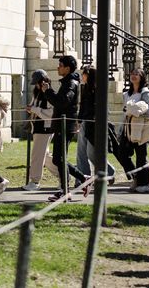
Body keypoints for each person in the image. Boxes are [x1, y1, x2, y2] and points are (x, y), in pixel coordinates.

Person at [44, 55, 89, 201]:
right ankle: (81, 180)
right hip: (61, 124)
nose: (58, 67)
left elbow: (62, 102)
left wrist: (48, 91)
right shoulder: (68, 82)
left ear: (67, 68)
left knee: (60, 159)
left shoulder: (71, 83)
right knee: (58, 159)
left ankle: (66, 190)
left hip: (65, 125)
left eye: (60, 65)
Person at [75, 66, 116, 186]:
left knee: (91, 153)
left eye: (83, 74)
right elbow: (82, 105)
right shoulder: (85, 88)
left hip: (94, 124)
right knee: (81, 152)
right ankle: (83, 178)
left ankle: (109, 171)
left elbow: (102, 108)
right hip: (85, 122)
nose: (82, 76)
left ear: (88, 75)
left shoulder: (99, 89)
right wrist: (79, 120)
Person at [119, 68, 149, 194]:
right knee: (122, 154)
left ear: (142, 77)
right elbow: (125, 113)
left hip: (141, 129)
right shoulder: (126, 94)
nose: (133, 76)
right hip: (128, 129)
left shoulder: (145, 93)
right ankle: (135, 176)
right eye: (132, 73)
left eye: (137, 74)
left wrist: (137, 112)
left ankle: (143, 183)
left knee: (141, 156)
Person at [23, 69, 59, 191]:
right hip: (39, 127)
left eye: (38, 83)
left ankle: (35, 181)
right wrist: (31, 109)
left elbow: (51, 113)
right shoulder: (38, 93)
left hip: (45, 128)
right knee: (45, 157)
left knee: (37, 156)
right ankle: (64, 175)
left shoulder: (49, 94)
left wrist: (34, 109)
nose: (37, 86)